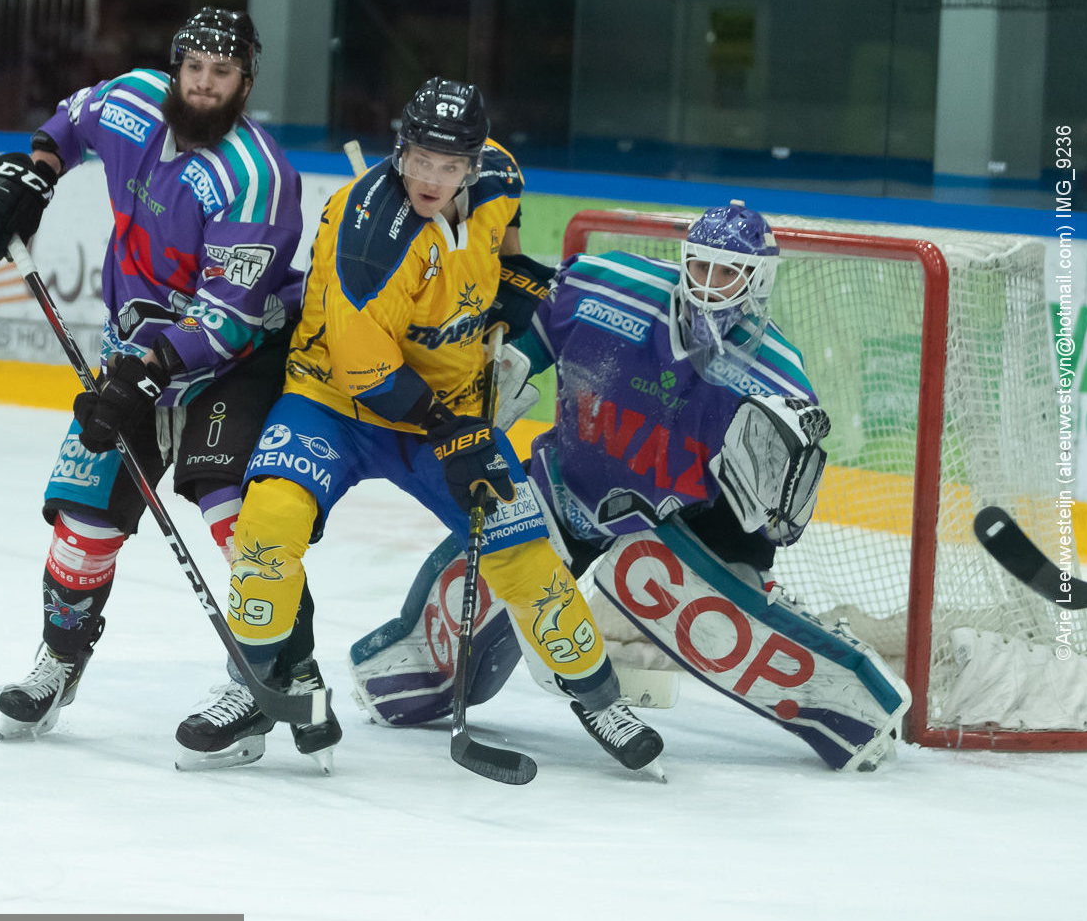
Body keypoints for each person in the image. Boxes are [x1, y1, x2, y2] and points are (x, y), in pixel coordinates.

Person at [351, 202, 912, 771]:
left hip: (666, 528)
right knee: (458, 615)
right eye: (700, 267)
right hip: (564, 482)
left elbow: (768, 525)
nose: (708, 287)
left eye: (727, 274)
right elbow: (520, 353)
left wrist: (763, 531)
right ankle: (404, 674)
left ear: (757, 280)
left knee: (725, 620)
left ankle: (856, 713)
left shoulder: (778, 377)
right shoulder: (606, 287)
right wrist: (486, 383)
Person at [211, 77, 666, 773]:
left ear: (473, 166)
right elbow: (367, 372)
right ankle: (254, 685)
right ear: (399, 150)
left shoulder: (500, 181)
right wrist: (453, 432)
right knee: (271, 520)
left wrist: (514, 287)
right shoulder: (369, 236)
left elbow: (502, 251)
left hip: (449, 407)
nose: (429, 177)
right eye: (418, 158)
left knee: (525, 554)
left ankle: (599, 697)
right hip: (334, 398)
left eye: (448, 165)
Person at [0, 8, 338, 768]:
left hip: (236, 360)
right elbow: (68, 124)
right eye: (193, 70)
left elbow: (226, 319)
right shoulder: (132, 102)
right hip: (135, 354)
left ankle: (275, 672)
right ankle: (60, 662)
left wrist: (143, 374)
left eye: (222, 74)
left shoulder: (258, 177)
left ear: (245, 82)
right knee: (84, 522)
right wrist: (34, 173)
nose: (204, 87)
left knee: (241, 521)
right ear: (175, 69)